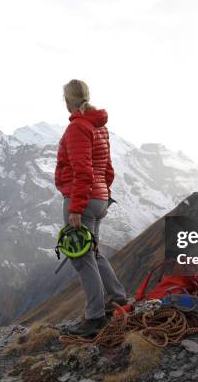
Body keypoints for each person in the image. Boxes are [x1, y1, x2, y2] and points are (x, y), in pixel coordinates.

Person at [55, 79, 127, 337]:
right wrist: (104, 195)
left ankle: (95, 317)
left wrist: (75, 208)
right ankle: (118, 298)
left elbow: (81, 170)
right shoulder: (99, 127)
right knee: (94, 252)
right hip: (97, 198)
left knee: (82, 258)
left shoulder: (77, 128)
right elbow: (106, 168)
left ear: (68, 100)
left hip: (81, 199)